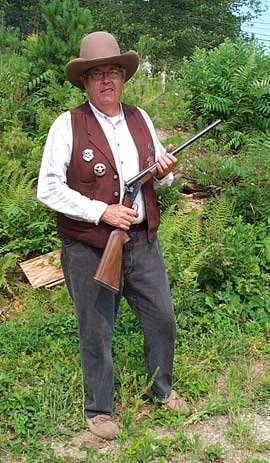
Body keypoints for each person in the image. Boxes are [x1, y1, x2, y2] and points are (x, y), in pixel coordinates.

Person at [37, 31, 191, 440]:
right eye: (96, 74)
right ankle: (99, 409)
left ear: (124, 77)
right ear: (85, 82)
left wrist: (165, 171)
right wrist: (101, 211)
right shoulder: (67, 125)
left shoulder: (141, 118)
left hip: (142, 240)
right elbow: (48, 188)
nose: (106, 80)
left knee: (162, 318)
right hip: (89, 245)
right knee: (96, 328)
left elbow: (165, 177)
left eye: (113, 72)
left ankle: (161, 388)